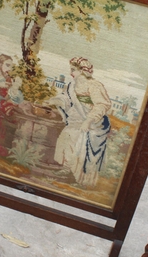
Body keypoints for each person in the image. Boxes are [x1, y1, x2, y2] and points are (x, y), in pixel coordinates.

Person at [48, 57, 111, 188]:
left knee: (78, 144)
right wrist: (57, 100)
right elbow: (67, 98)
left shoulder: (95, 85)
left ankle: (80, 178)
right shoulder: (72, 85)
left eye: (73, 70)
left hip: (92, 123)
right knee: (65, 139)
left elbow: (102, 105)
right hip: (75, 120)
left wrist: (88, 120)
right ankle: (67, 170)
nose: (71, 73)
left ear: (82, 71)